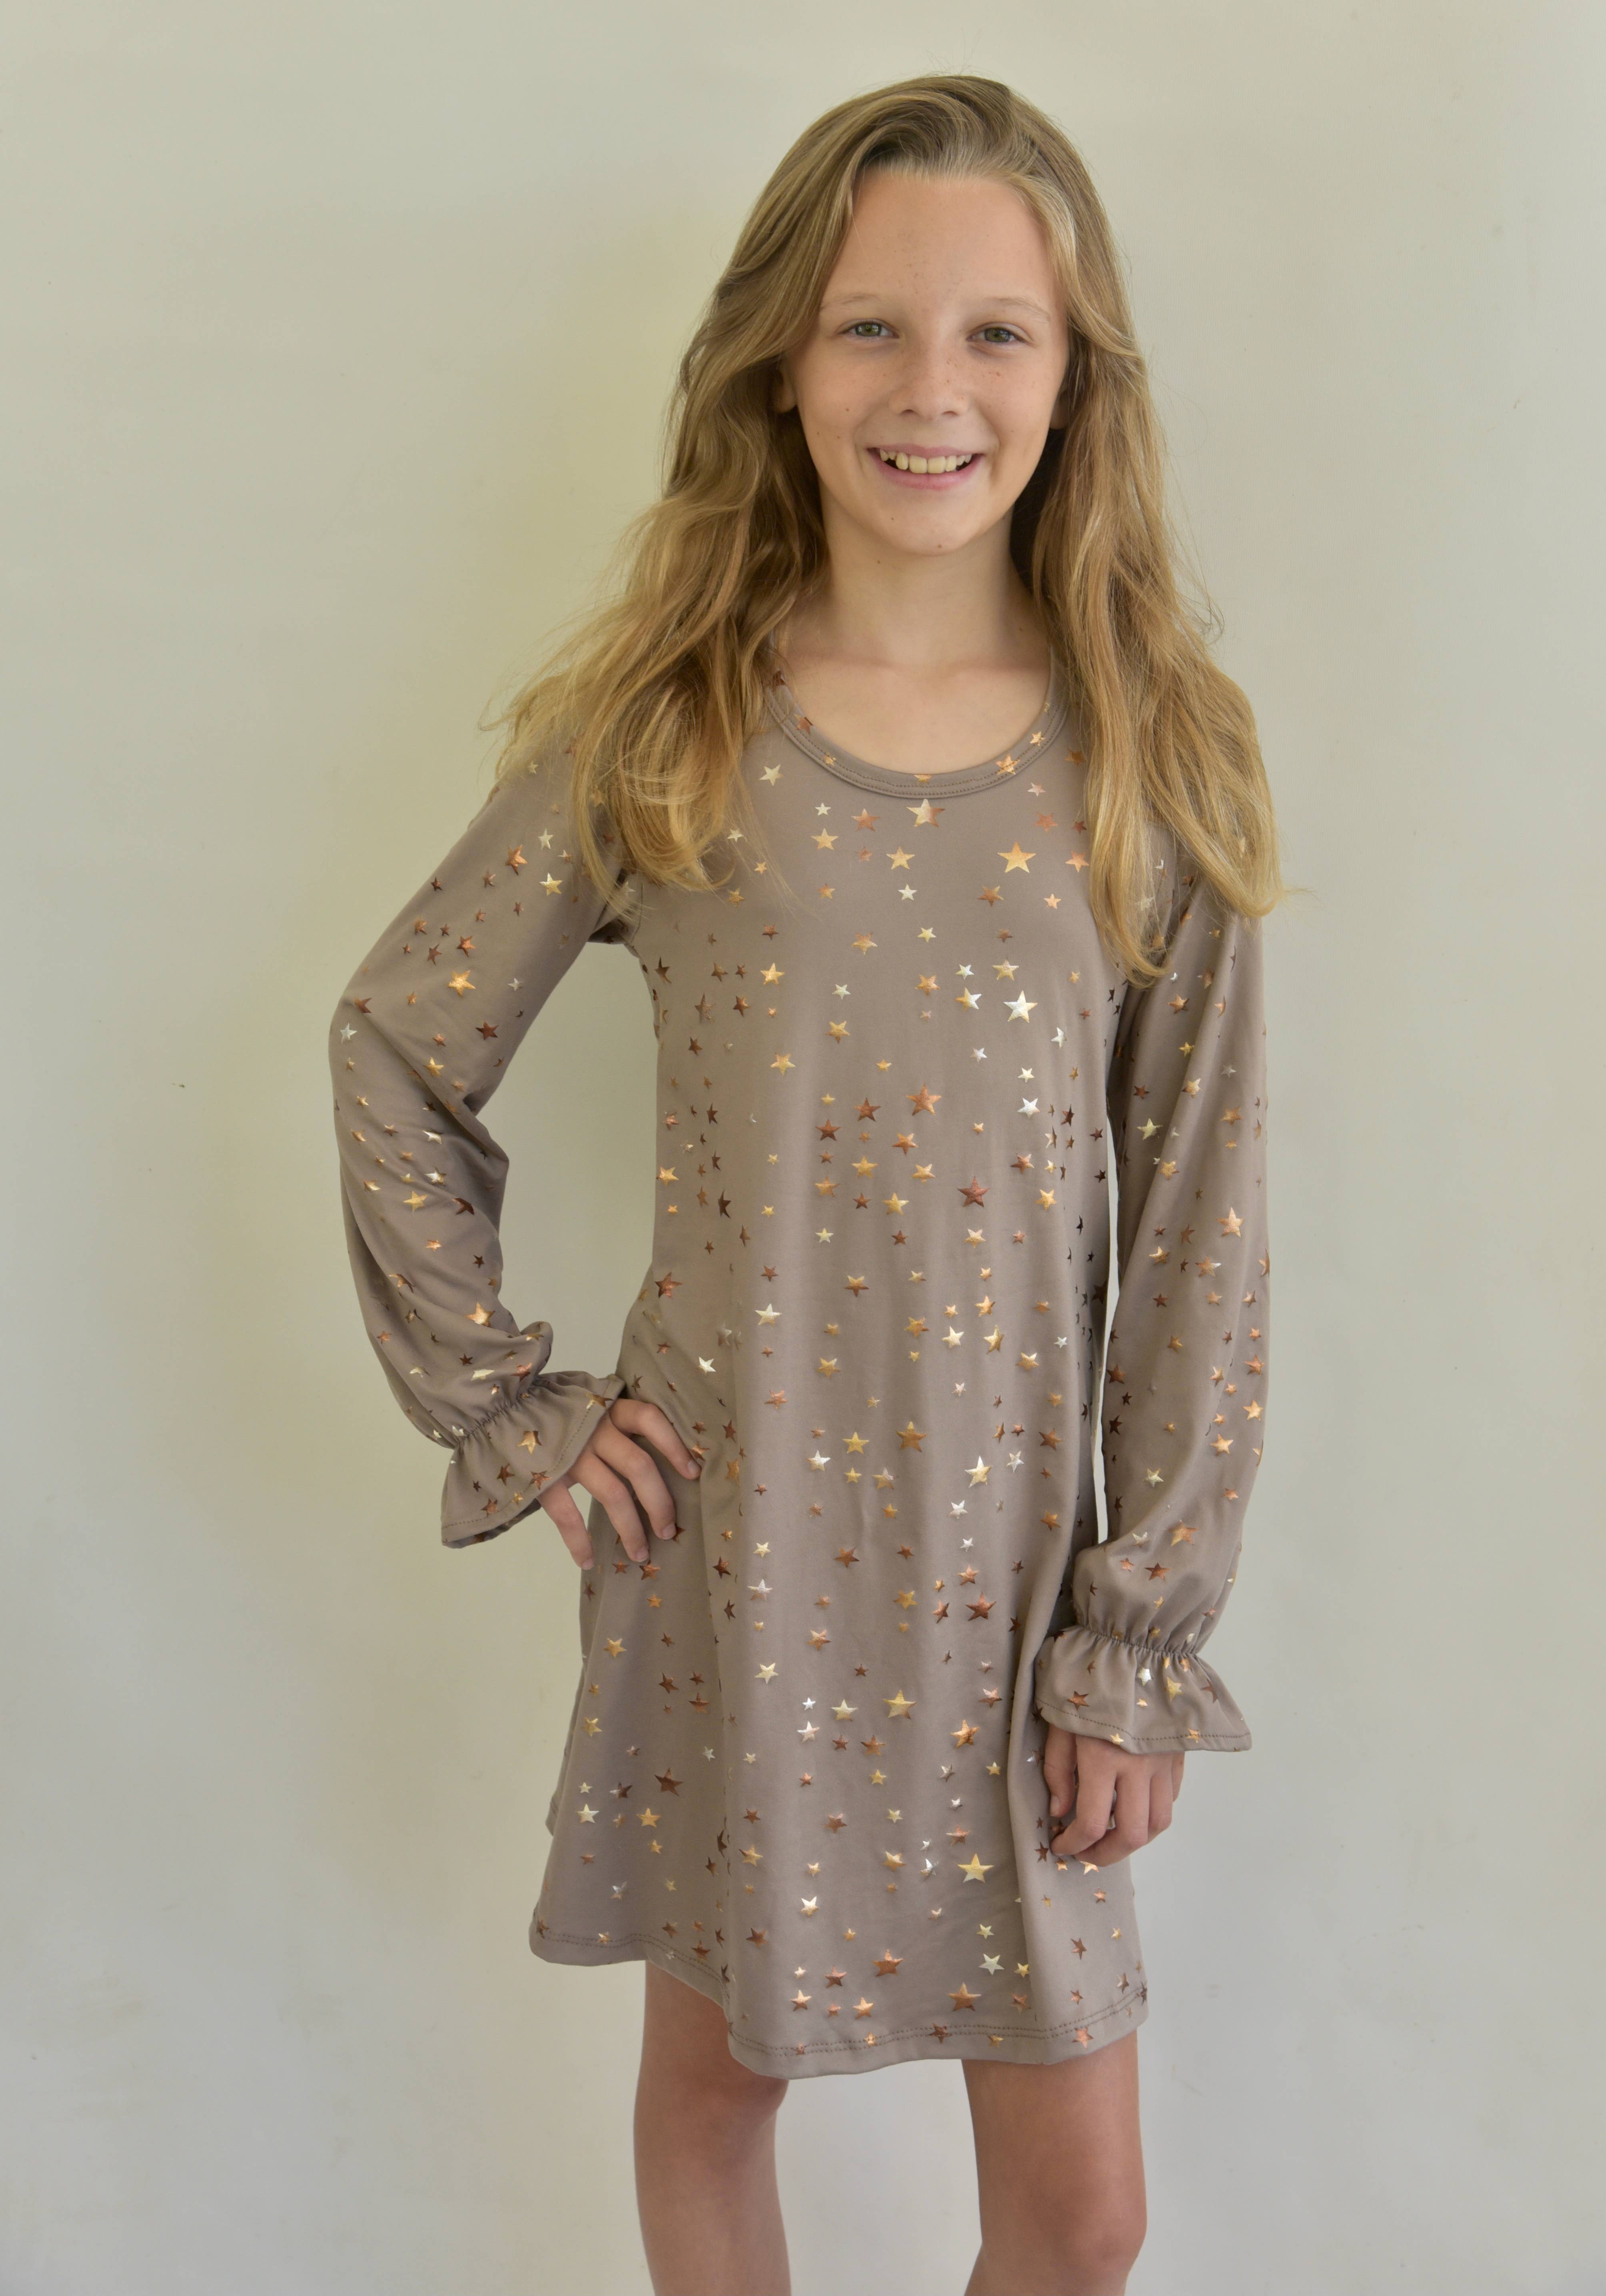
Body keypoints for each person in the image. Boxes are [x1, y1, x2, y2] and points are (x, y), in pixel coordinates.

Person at [328, 72, 1284, 2296]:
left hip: (1024, 1590)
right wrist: (512, 1401)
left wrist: (1136, 1632)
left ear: (1074, 376)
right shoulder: (668, 724)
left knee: (1085, 2215)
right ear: (781, 358)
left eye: (995, 332)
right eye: (871, 326)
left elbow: (1204, 1236)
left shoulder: (1156, 751)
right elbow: (396, 1042)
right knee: (716, 2093)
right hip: (733, 1551)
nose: (931, 388)